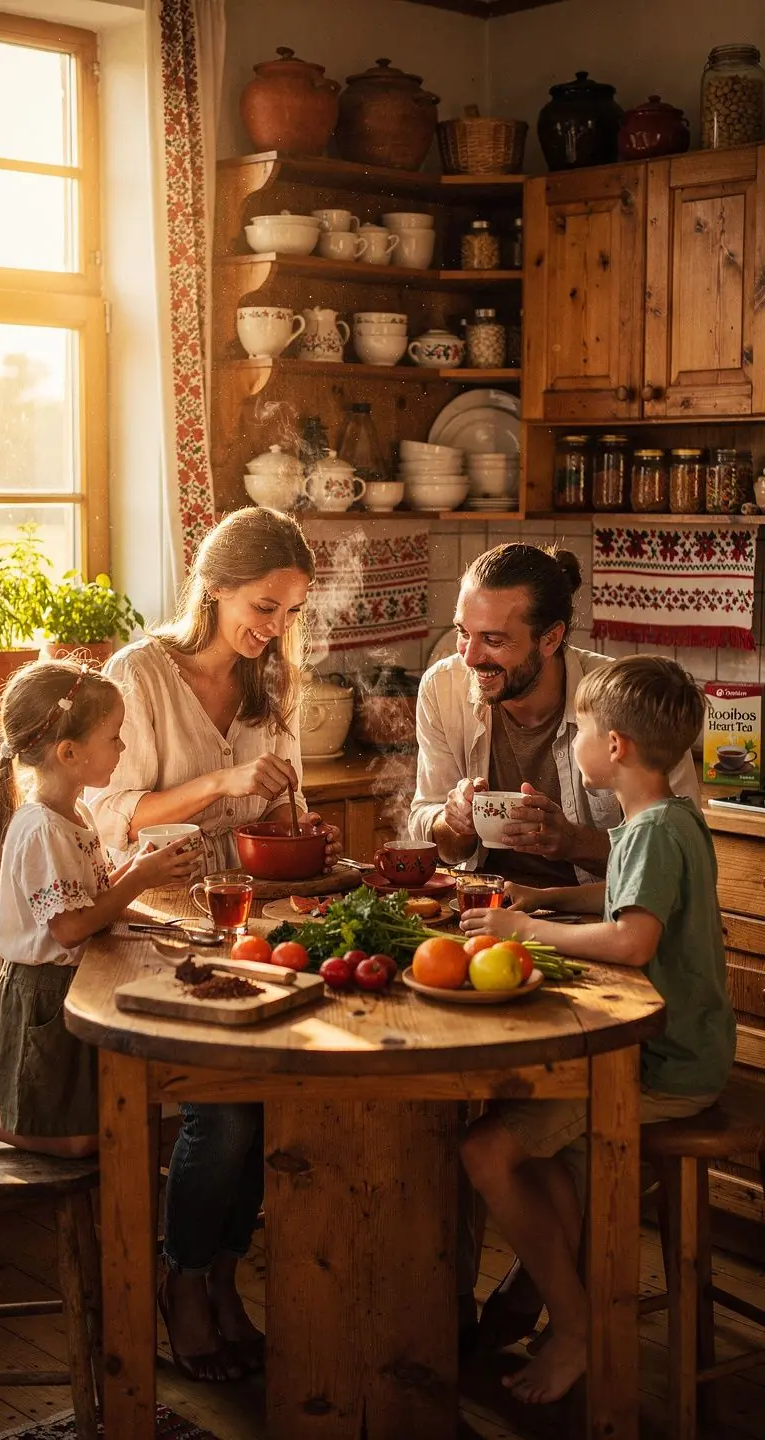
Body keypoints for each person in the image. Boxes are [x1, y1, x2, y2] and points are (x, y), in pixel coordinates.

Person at [88, 507, 340, 1384]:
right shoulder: (138, 676)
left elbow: (282, 808)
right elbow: (108, 818)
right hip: (151, 930)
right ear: (216, 586)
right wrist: (220, 782)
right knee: (225, 1110)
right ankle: (183, 1282)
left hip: (247, 927)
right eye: (264, 607)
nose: (275, 630)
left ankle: (228, 1281)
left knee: (276, 1103)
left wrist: (302, 829)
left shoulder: (274, 688)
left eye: (290, 613)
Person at [458, 656, 736, 1406]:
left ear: (614, 746)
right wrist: (537, 897)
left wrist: (520, 926)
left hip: (663, 1068)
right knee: (539, 1156)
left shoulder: (650, 832)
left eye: (579, 729)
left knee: (487, 1151)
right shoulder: (667, 819)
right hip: (677, 1055)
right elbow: (619, 902)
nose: (572, 740)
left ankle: (579, 1328)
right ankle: (551, 1312)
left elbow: (632, 941)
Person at [0, 660, 195, 1158]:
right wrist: (140, 880)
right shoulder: (42, 829)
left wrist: (171, 922)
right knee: (78, 1139)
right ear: (69, 752)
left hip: (75, 991)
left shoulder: (76, 813)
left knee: (101, 1119)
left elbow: (96, 898)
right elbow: (70, 928)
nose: (122, 748)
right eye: (114, 737)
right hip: (42, 999)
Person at [410, 543, 701, 885]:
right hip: (483, 906)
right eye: (463, 632)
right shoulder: (442, 688)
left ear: (550, 639)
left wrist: (573, 843)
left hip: (600, 921)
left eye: (493, 639)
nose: (469, 657)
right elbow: (429, 831)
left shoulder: (625, 700)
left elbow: (682, 855)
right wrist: (455, 822)